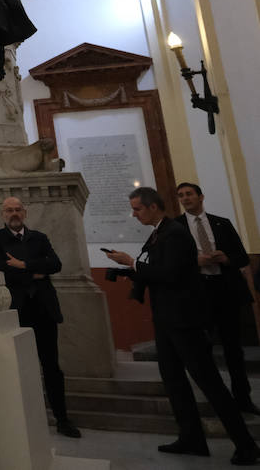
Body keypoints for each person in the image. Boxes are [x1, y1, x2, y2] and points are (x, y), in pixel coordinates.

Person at [105, 187, 258, 464]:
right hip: (166, 320)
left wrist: (132, 263)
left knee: (209, 383)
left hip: (184, 320)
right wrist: (130, 270)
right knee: (173, 380)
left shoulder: (174, 233)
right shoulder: (161, 232)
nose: (134, 214)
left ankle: (246, 445)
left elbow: (171, 274)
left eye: (137, 209)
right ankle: (191, 438)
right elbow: (159, 269)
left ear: (153, 207)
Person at [0, 197, 80, 438]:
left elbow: (55, 265)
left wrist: (22, 264)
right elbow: (0, 268)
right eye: (8, 210)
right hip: (17, 309)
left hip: (44, 309)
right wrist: (36, 271)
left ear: (24, 213)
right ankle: (22, 420)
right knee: (19, 366)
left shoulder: (40, 237)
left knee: (51, 366)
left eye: (17, 210)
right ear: (2, 214)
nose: (13, 214)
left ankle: (62, 419)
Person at [176, 182, 258, 414]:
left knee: (234, 348)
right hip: (198, 293)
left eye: (189, 194)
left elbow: (242, 256)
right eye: (181, 195)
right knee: (203, 350)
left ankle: (243, 398)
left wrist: (226, 258)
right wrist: (195, 261)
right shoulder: (177, 227)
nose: (185, 198)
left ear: (200, 196)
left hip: (226, 289)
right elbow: (173, 262)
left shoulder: (222, 223)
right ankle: (217, 399)